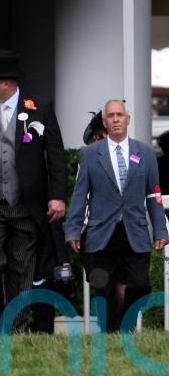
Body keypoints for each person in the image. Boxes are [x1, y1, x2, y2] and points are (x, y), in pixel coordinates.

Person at [0, 50, 67, 327]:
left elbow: (55, 155)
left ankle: (16, 327)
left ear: (6, 83)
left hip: (26, 204)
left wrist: (57, 196)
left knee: (22, 267)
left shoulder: (40, 108)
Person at [64, 100, 168, 332]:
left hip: (134, 231)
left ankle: (124, 325)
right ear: (104, 122)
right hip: (101, 233)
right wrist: (73, 229)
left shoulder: (145, 153)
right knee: (106, 288)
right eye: (110, 116)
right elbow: (80, 195)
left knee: (140, 285)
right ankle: (113, 334)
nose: (116, 119)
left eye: (120, 115)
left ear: (127, 119)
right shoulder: (90, 155)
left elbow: (154, 195)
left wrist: (161, 229)